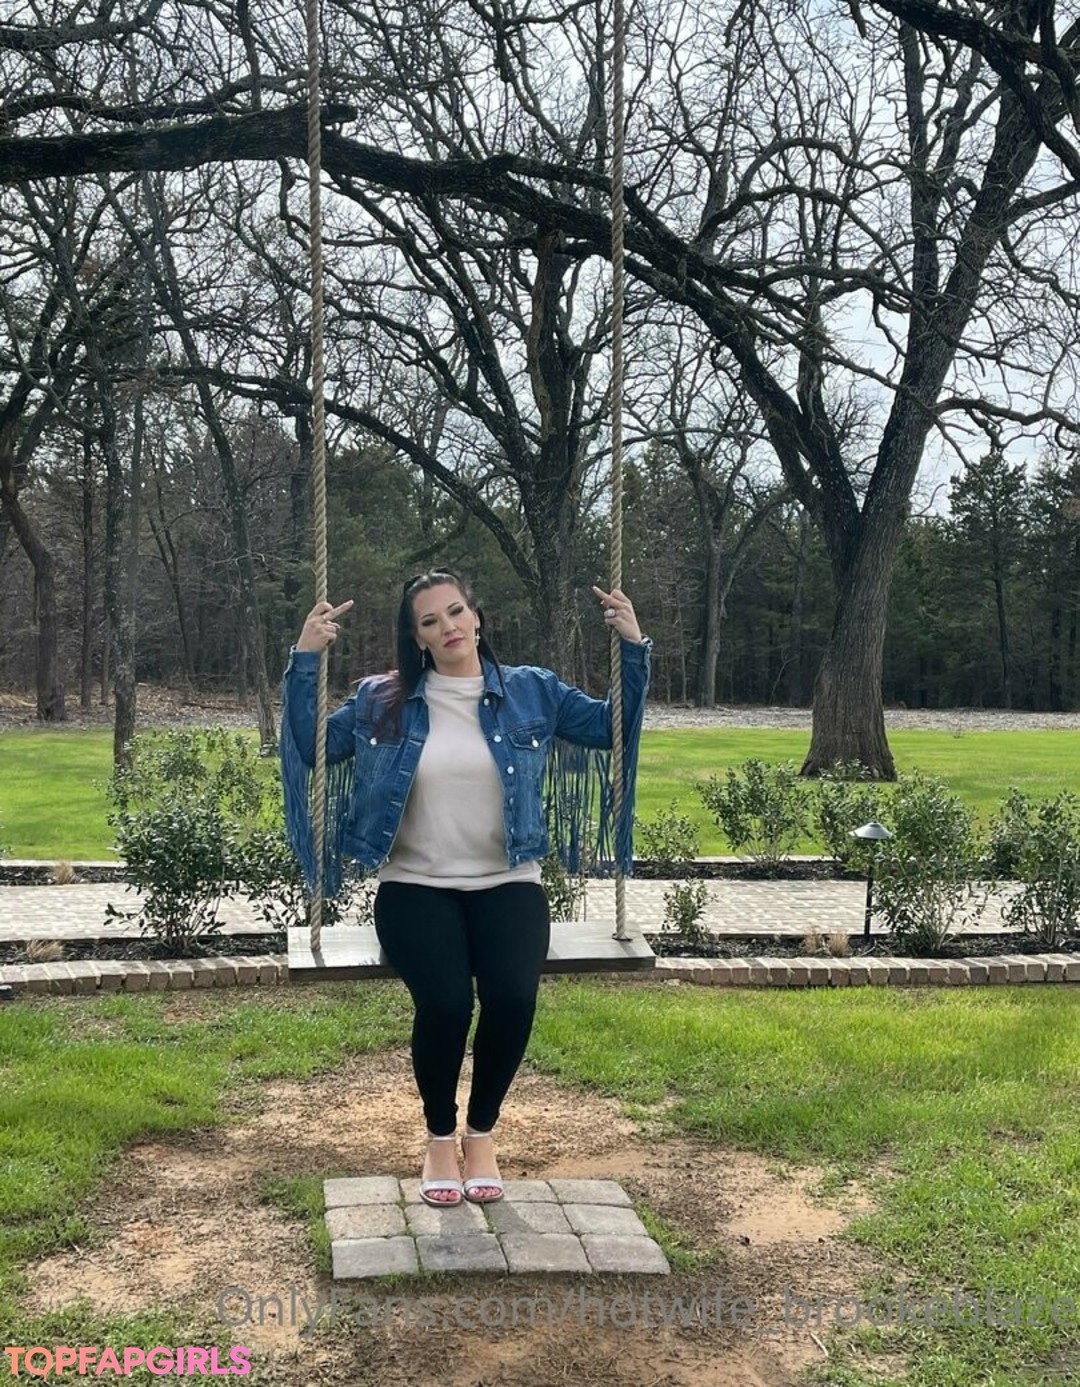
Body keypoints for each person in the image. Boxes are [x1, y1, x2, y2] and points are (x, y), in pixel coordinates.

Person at [280, 569, 651, 1207]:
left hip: (508, 882)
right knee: (448, 1004)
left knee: (512, 997)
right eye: (430, 621)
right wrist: (306, 659)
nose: (448, 627)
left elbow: (612, 728)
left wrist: (632, 647)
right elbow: (313, 747)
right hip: (414, 885)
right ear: (417, 638)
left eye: (455, 611)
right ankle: (439, 1139)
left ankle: (481, 1135)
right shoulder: (382, 699)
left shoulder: (533, 692)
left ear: (477, 617)